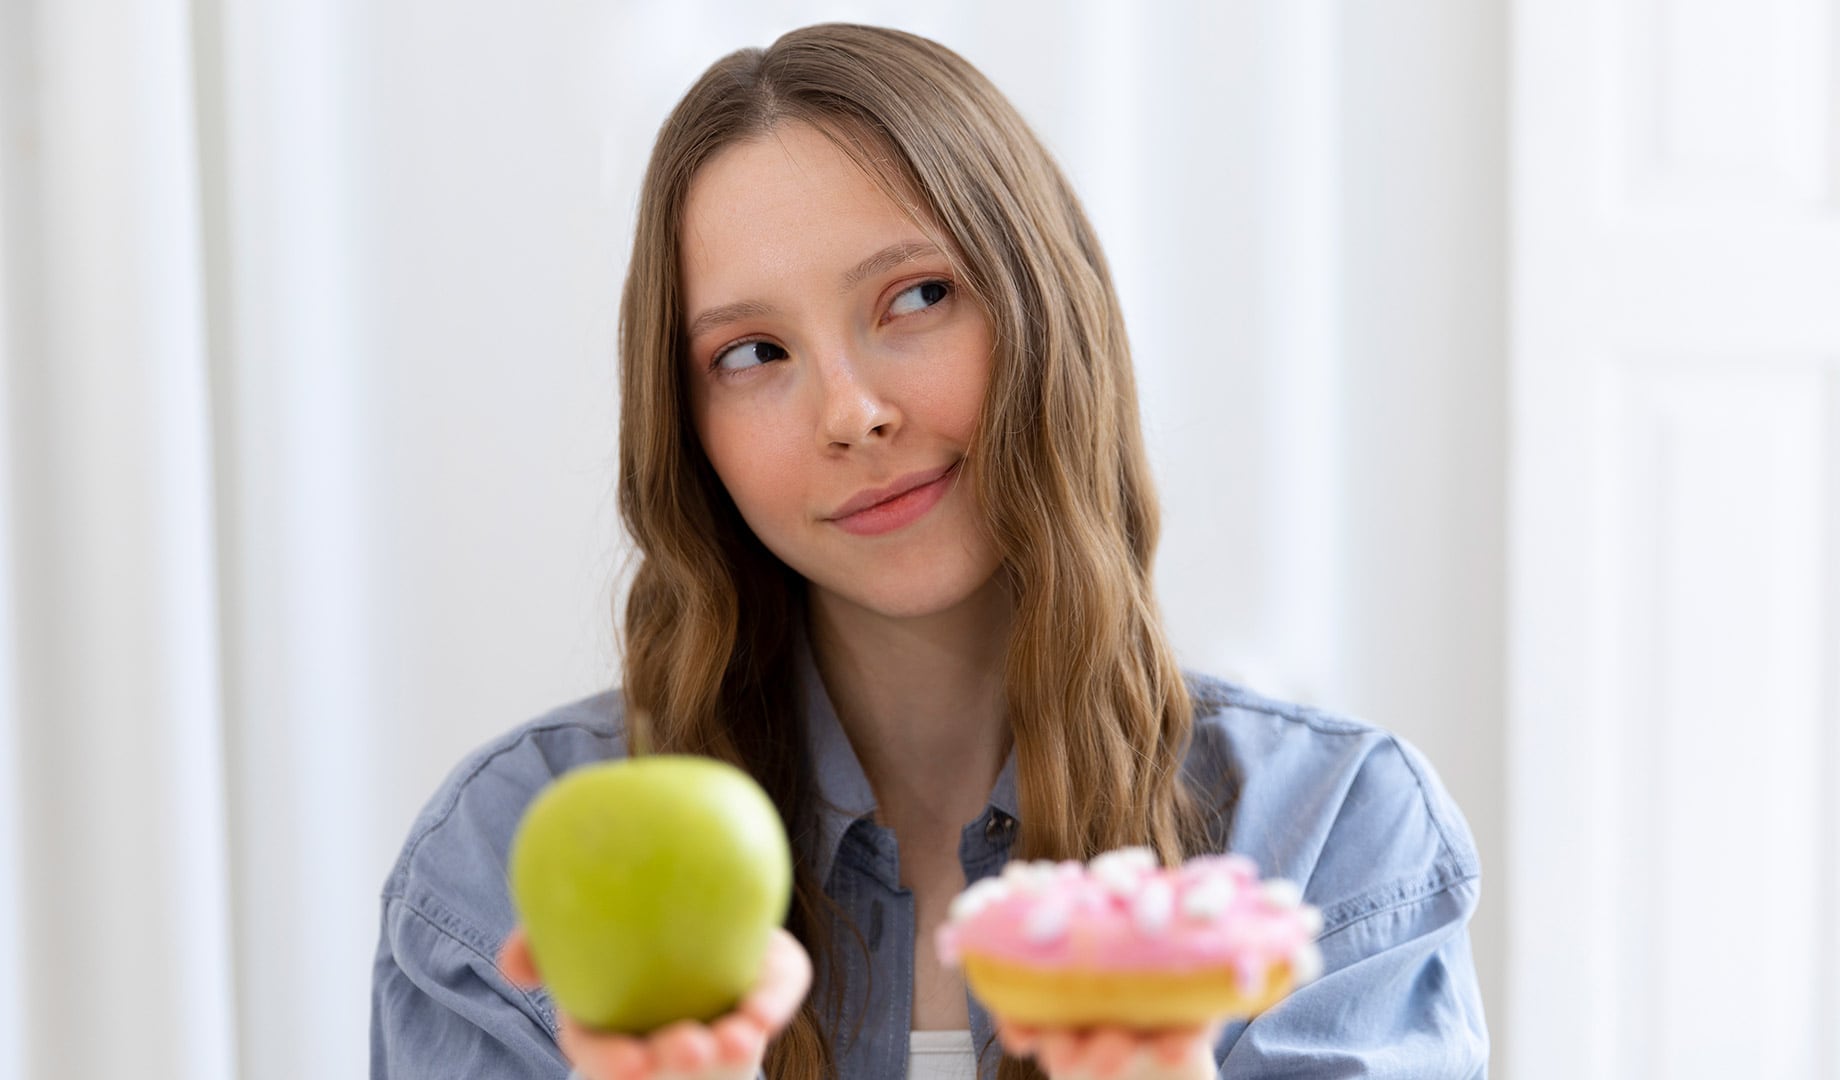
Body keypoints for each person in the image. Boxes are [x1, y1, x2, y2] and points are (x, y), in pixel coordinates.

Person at [371, 22, 1488, 1080]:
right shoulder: (498, 868)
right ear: (688, 429)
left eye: (916, 296)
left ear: (1047, 312)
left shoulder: (1327, 840)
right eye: (754, 352)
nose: (851, 412)